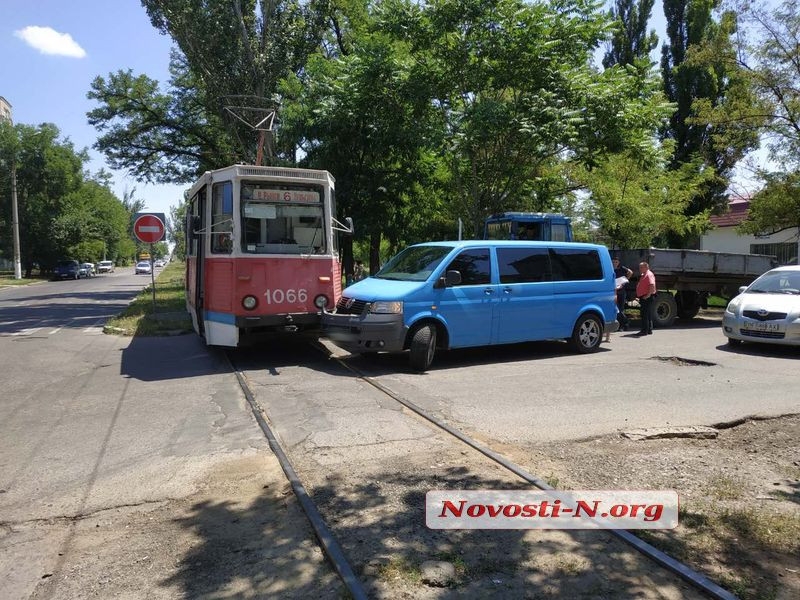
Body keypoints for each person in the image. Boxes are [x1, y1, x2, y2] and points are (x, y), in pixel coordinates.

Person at [612, 257, 633, 331]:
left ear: (618, 263)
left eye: (616, 262)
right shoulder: (610, 269)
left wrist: (626, 280)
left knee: (621, 309)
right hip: (614, 292)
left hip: (622, 291)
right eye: (613, 262)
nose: (615, 263)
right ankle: (625, 322)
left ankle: (623, 325)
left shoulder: (622, 268)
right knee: (617, 309)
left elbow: (630, 272)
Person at [635, 261, 657, 336]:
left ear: (646, 267)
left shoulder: (649, 274)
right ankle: (649, 330)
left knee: (644, 314)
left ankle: (644, 331)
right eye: (639, 267)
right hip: (645, 296)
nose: (640, 269)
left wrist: (648, 295)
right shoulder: (644, 274)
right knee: (648, 314)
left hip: (647, 297)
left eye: (641, 267)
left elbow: (652, 285)